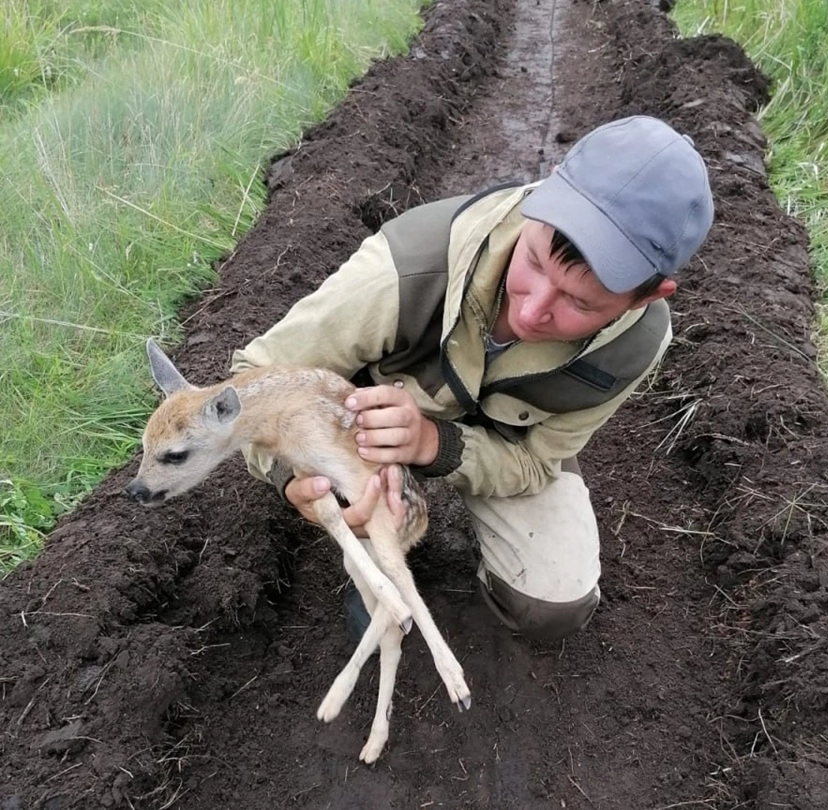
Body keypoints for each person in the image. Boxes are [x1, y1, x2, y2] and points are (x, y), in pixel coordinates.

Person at [231, 115, 714, 641]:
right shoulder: (406, 267)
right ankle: (376, 542)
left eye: (579, 302)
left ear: (648, 296)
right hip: (367, 431)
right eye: (532, 262)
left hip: (494, 443)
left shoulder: (634, 345)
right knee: (374, 598)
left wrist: (435, 443)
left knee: (551, 606)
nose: (532, 313)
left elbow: (535, 460)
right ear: (544, 194)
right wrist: (293, 481)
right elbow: (248, 386)